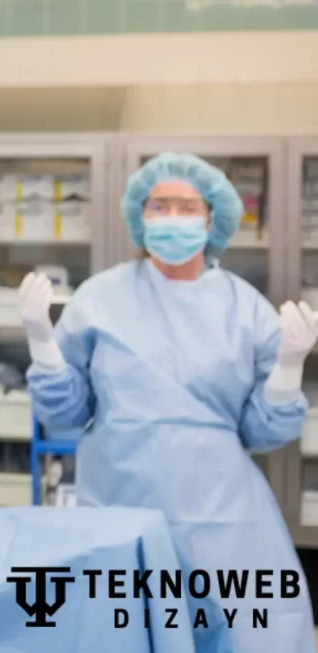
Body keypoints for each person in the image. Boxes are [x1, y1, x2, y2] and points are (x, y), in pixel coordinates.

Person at [20, 152, 318, 652]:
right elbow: (65, 414)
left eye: (186, 206)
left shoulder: (246, 308)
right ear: (141, 215)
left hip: (221, 514)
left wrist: (289, 366)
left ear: (212, 217)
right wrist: (42, 344)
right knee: (119, 632)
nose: (172, 218)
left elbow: (265, 432)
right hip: (118, 500)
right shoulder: (99, 299)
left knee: (237, 632)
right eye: (160, 205)